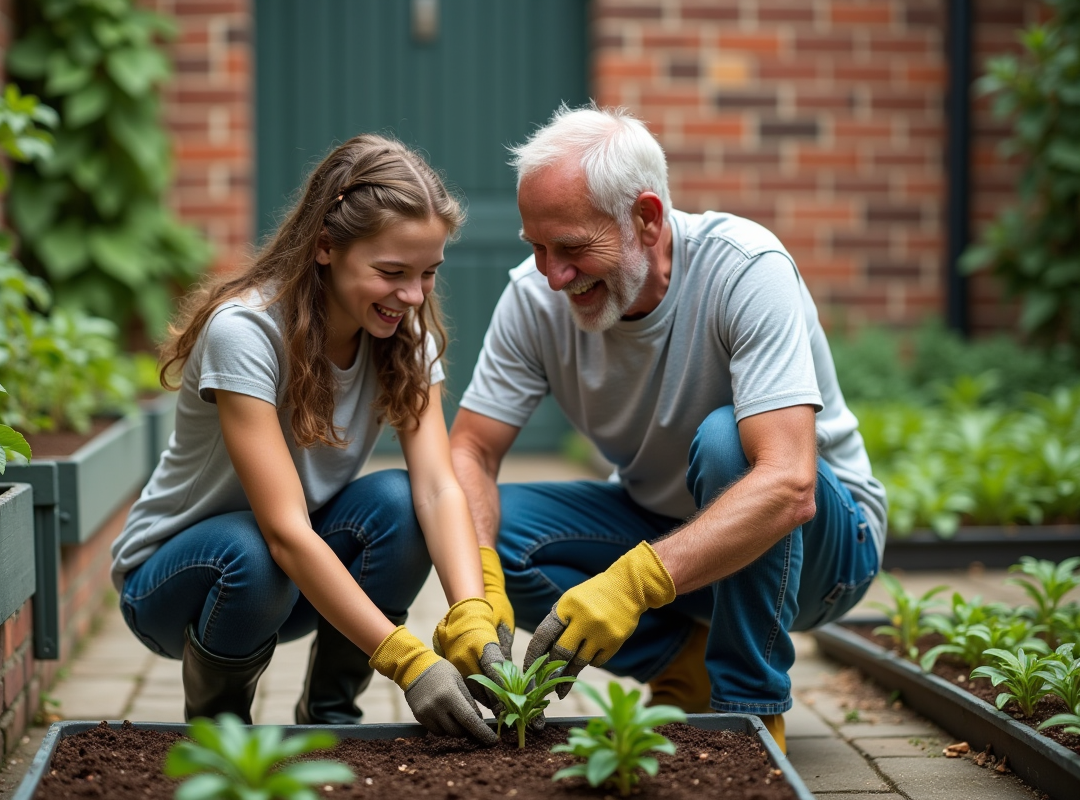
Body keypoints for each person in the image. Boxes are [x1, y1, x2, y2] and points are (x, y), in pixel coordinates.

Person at [449, 105, 887, 752]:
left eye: (571, 247)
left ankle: (747, 714)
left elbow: (790, 483)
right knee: (494, 527)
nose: (552, 275)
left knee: (727, 440)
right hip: (668, 525)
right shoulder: (532, 299)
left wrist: (633, 584)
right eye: (536, 248)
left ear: (647, 219)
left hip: (825, 552)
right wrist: (476, 582)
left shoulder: (745, 269)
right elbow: (471, 450)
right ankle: (684, 664)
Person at [110, 135, 501, 744]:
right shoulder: (245, 331)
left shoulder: (403, 332)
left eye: (428, 273)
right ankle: (221, 744)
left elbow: (437, 488)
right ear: (325, 246)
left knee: (399, 504)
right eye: (391, 272)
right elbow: (285, 532)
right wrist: (408, 661)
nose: (413, 296)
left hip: (290, 584)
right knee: (251, 549)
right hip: (175, 584)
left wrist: (470, 612)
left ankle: (330, 720)